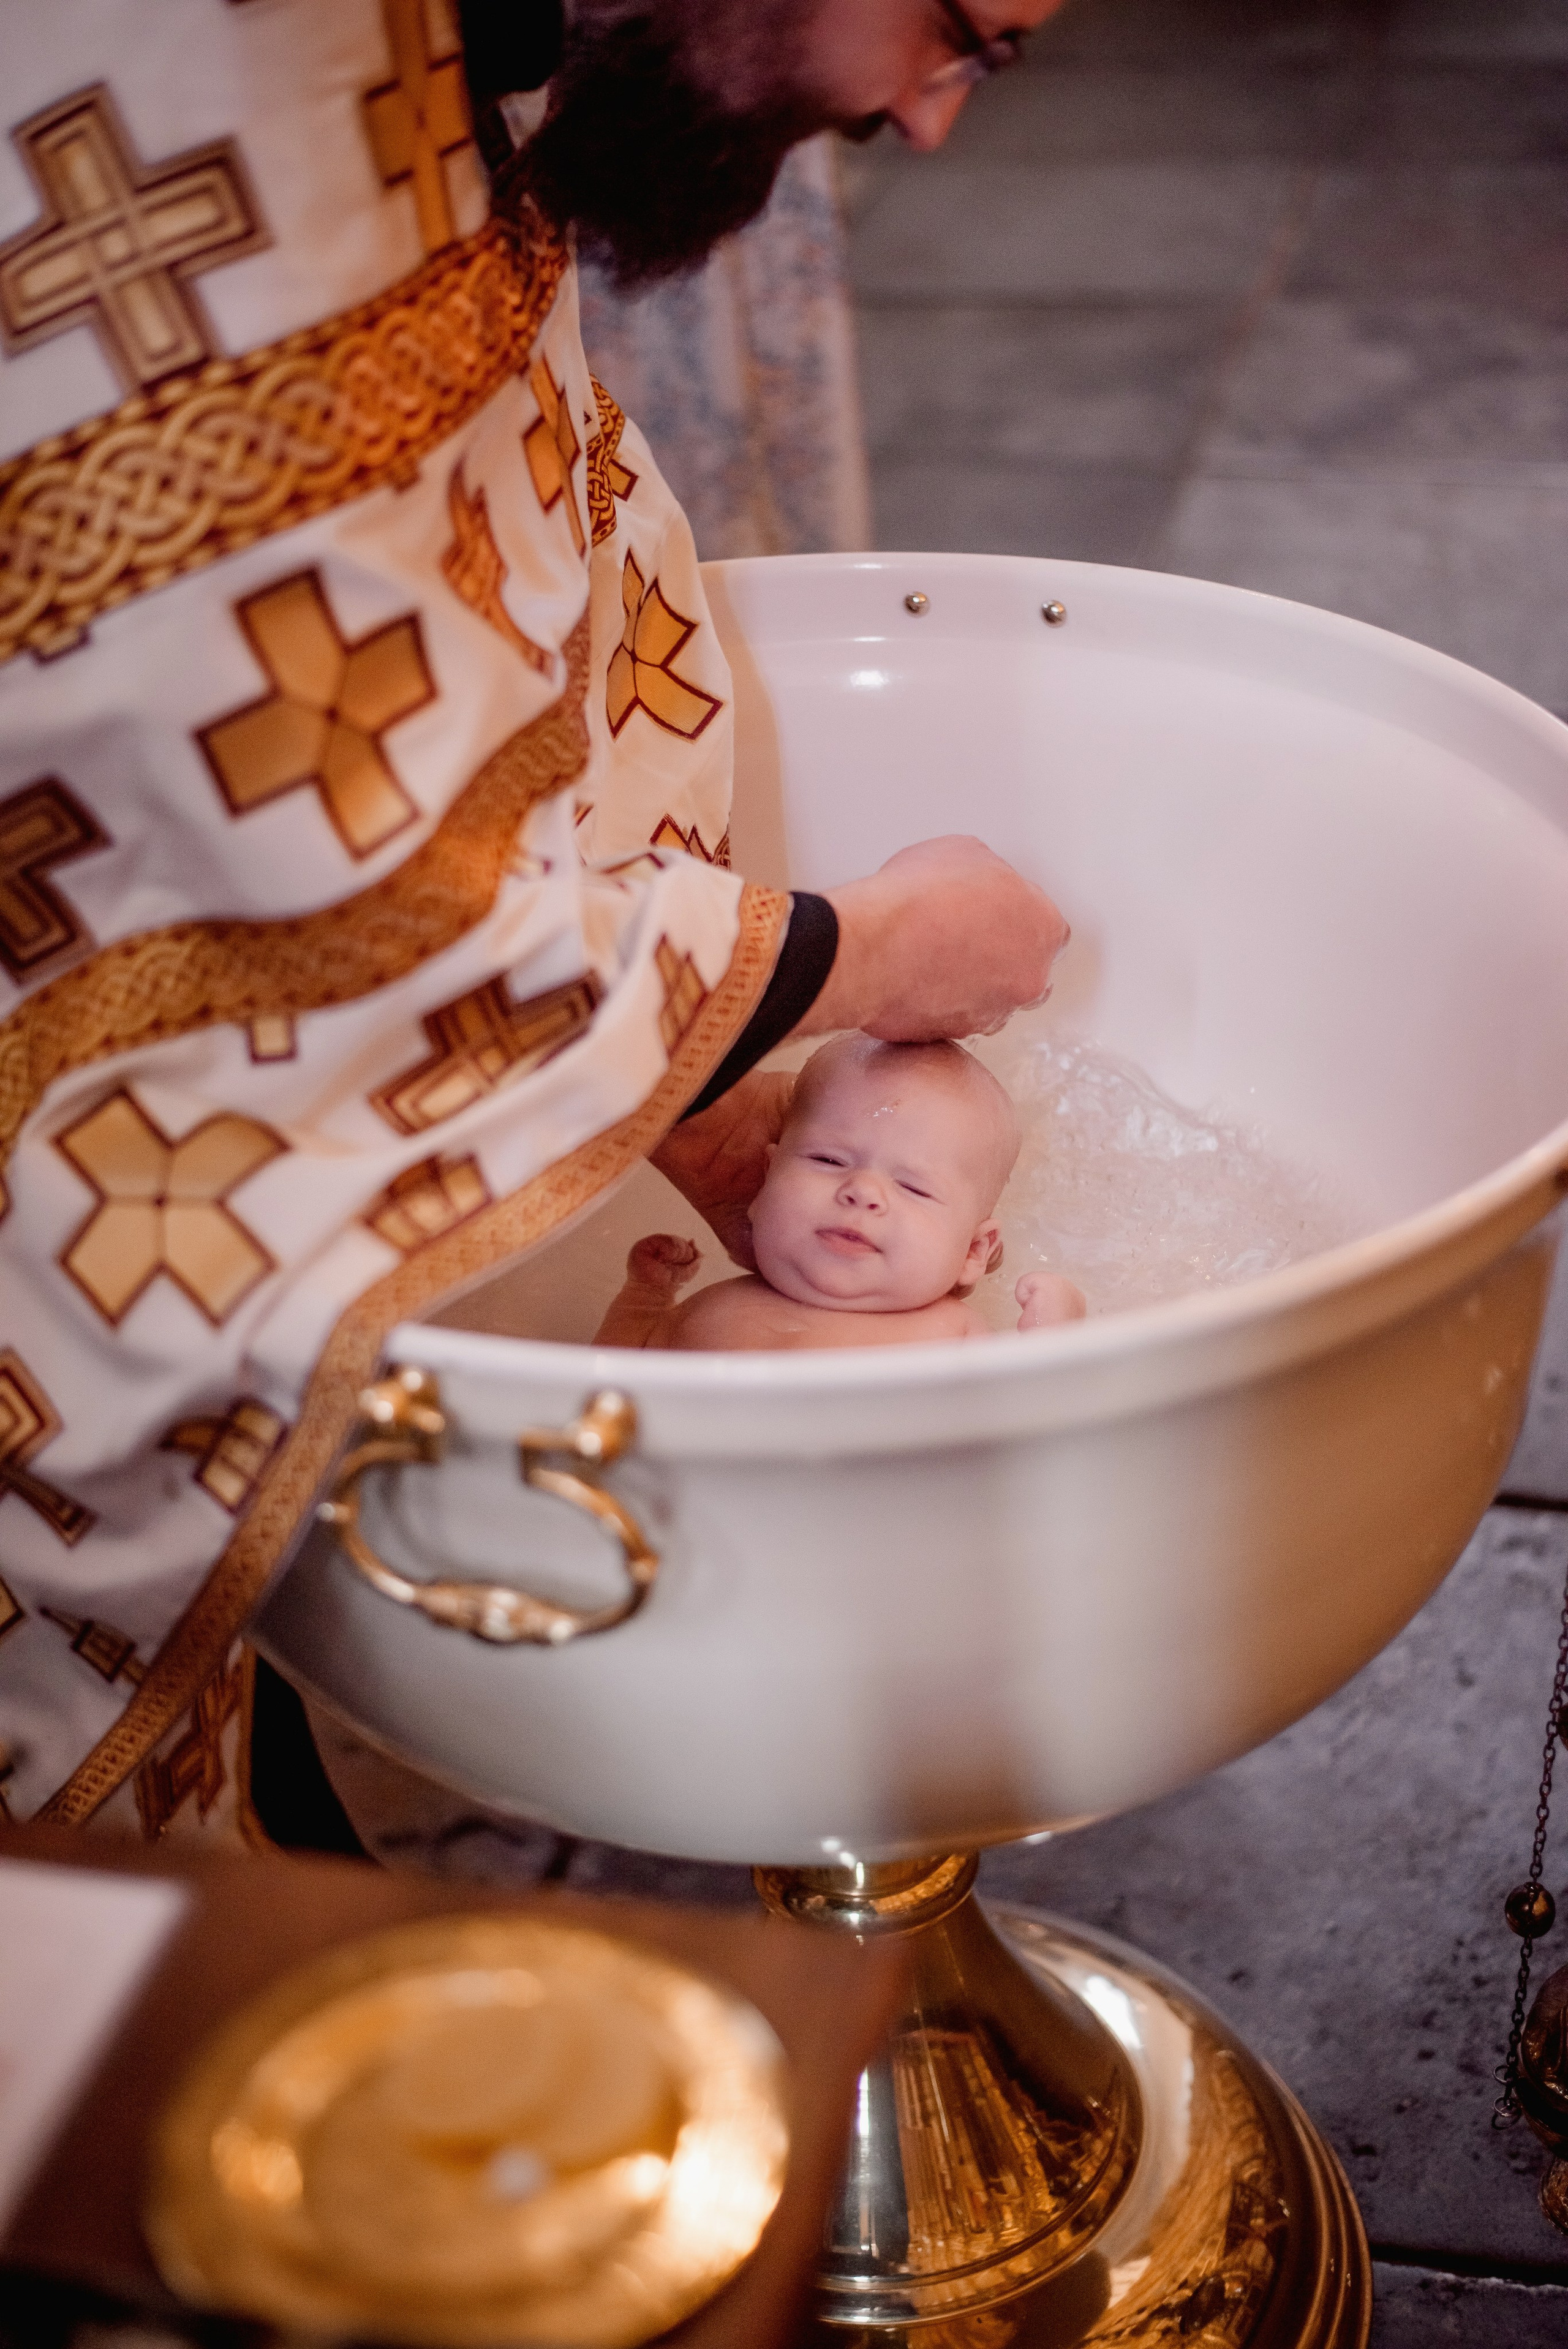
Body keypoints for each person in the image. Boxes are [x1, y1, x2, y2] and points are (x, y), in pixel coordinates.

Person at [0, 0, 1068, 1839]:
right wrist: (862, 953)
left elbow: (495, 588)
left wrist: (700, 1086)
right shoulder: (214, 111)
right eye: (960, 30)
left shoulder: (452, 57)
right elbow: (300, 884)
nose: (928, 115)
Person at [597, 1035, 1087, 1348]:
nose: (862, 1191)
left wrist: (1054, 1341)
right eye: (827, 1161)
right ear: (765, 1185)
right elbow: (599, 1390)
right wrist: (644, 1300)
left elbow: (1024, 1435)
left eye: (913, 1187)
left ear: (974, 1251)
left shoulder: (951, 1336)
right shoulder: (707, 1312)